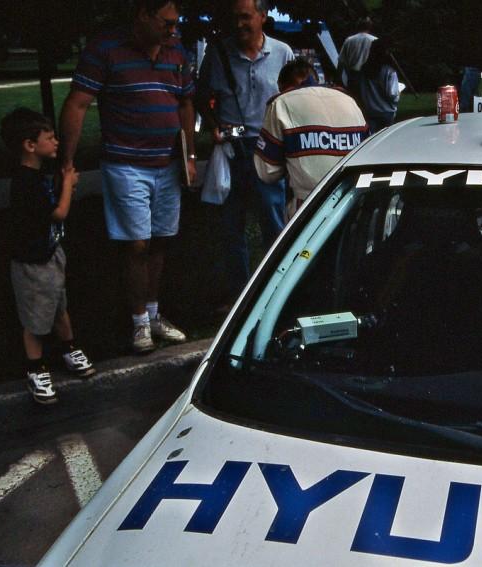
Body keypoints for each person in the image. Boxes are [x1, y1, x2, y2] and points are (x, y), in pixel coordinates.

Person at [59, 0, 195, 354]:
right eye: (166, 23)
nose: (172, 30)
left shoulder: (175, 50)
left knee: (161, 239)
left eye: (175, 23)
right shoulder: (106, 49)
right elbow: (77, 103)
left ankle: (153, 314)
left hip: (167, 163)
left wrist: (189, 155)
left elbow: (184, 102)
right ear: (143, 15)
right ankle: (138, 323)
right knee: (137, 244)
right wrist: (66, 162)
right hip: (126, 163)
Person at [196, 0, 293, 311]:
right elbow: (200, 97)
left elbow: (297, 97)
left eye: (245, 17)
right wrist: (213, 126)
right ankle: (240, 295)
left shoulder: (282, 53)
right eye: (234, 17)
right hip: (231, 150)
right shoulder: (219, 52)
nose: (239, 24)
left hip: (269, 148)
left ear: (263, 16)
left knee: (274, 222)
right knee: (231, 226)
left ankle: (276, 292)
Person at [0, 108, 96, 405]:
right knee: (35, 321)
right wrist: (68, 182)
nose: (56, 142)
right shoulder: (25, 182)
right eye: (50, 137)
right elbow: (60, 212)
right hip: (32, 264)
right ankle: (36, 369)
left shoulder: (37, 175)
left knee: (58, 307)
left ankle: (69, 348)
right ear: (30, 145)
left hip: (50, 254)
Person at [254, 58, 368, 220]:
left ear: (283, 86)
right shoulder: (349, 101)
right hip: (354, 203)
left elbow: (266, 172)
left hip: (308, 210)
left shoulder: (281, 103)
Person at [358, 38, 400, 134]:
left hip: (370, 110)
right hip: (386, 112)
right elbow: (392, 94)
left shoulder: (364, 70)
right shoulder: (389, 71)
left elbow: (361, 90)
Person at [337, 17, 376, 95]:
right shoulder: (375, 40)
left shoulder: (349, 40)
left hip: (353, 76)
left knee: (353, 99)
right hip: (369, 76)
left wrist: (338, 79)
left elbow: (341, 62)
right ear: (370, 27)